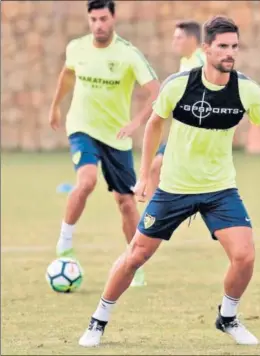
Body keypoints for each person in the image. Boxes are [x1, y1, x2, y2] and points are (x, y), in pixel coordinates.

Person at [78, 15, 260, 347]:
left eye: (234, 47)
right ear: (206, 48)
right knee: (136, 255)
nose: (230, 53)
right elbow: (154, 125)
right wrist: (144, 176)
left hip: (220, 190)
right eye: (223, 46)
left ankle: (227, 317)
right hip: (174, 189)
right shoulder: (179, 85)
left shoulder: (245, 90)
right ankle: (98, 321)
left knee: (245, 256)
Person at [48, 0, 160, 287]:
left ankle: (134, 264)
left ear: (113, 19)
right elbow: (68, 74)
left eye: (103, 19)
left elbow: (156, 91)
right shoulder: (77, 48)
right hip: (82, 128)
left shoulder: (128, 54)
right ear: (89, 20)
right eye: (93, 19)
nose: (98, 25)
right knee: (86, 181)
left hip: (116, 139)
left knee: (126, 203)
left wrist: (135, 122)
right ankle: (65, 241)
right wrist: (55, 106)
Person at [147, 20, 205, 199]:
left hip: (197, 132)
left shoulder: (202, 61)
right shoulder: (185, 62)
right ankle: (152, 216)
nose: (174, 42)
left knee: (158, 167)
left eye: (178, 38)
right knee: (156, 167)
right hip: (182, 130)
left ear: (192, 39)